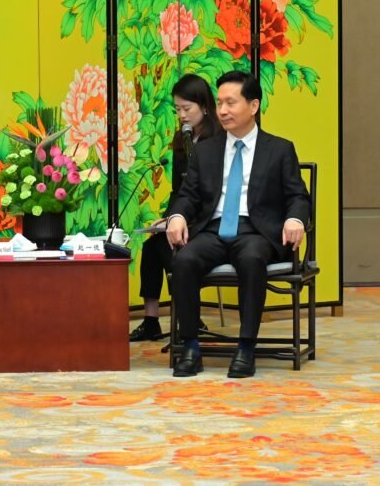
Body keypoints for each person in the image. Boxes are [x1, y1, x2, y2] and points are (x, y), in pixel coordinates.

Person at [166, 70, 309, 379]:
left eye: (231, 102)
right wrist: (177, 216)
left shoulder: (279, 149)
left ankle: (246, 346)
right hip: (213, 230)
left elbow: (298, 196)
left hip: (255, 231)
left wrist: (295, 219)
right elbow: (187, 195)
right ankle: (190, 345)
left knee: (253, 258)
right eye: (219, 103)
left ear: (253, 106)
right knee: (185, 259)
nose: (222, 111)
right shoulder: (206, 150)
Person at [129, 74, 221, 342]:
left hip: (207, 221)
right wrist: (169, 218)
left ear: (205, 106)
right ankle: (151, 320)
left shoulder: (218, 141)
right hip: (183, 217)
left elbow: (212, 193)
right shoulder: (183, 140)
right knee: (152, 246)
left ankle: (189, 318)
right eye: (177, 109)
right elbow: (179, 190)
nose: (181, 115)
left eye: (187, 109)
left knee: (170, 248)